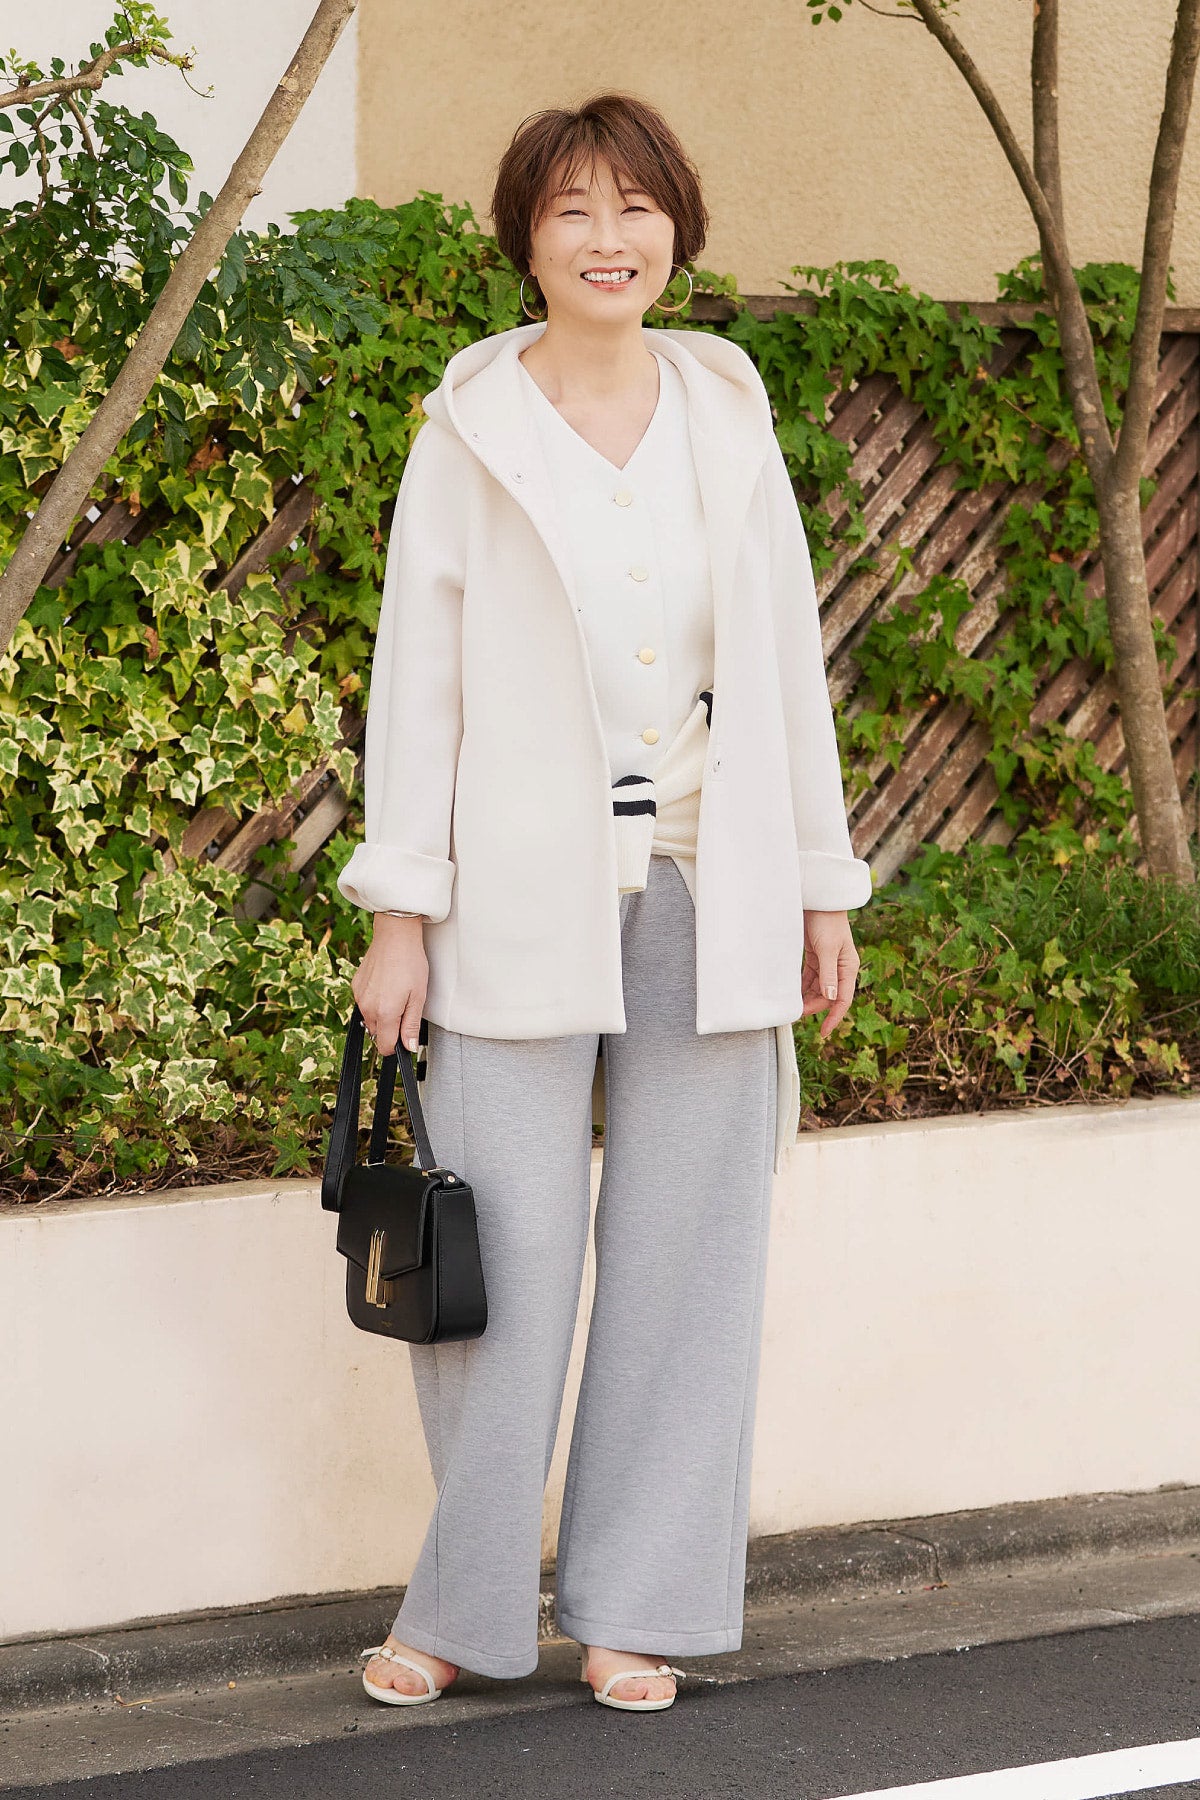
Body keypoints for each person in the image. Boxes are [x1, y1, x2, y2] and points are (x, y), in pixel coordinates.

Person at [339, 91, 873, 1714]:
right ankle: (465, 1604)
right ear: (527, 239)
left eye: (636, 208)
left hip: (711, 890)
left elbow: (784, 662)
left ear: (676, 234)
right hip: (512, 902)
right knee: (495, 1259)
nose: (607, 238)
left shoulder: (728, 414)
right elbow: (417, 685)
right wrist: (399, 911)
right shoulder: (468, 430)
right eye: (573, 209)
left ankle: (636, 1606)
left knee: (686, 1267)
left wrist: (820, 888)